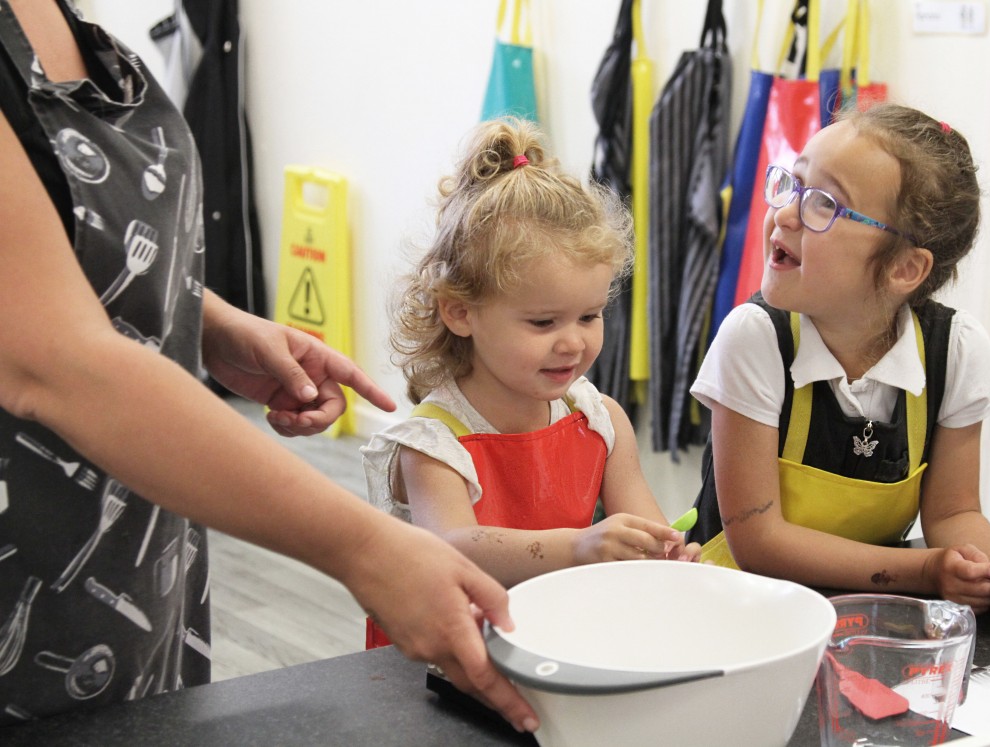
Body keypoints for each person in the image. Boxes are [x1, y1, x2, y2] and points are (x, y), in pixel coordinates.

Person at [0, 0, 537, 732]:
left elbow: (55, 262)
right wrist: (366, 548)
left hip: (130, 577)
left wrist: (204, 319)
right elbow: (58, 364)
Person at [688, 103, 990, 630]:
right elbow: (758, 541)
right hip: (733, 617)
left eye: (824, 204)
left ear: (905, 267)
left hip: (864, 626)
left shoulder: (954, 352)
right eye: (793, 184)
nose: (785, 214)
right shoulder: (757, 338)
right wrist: (925, 570)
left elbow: (954, 513)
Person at [363, 118, 700, 596]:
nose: (573, 343)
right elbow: (453, 547)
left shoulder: (600, 421)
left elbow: (645, 530)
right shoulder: (434, 446)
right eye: (544, 322)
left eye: (589, 316)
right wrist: (577, 547)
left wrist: (663, 555)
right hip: (453, 638)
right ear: (459, 312)